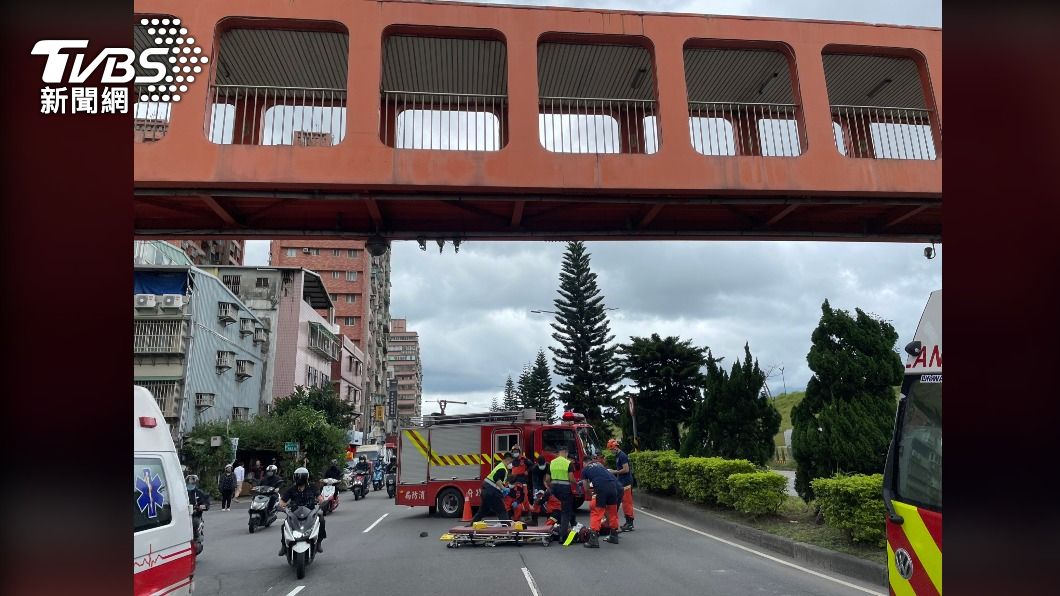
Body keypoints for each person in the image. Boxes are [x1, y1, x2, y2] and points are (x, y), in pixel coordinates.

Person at [278, 467, 326, 555]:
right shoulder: (291, 489)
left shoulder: (312, 487)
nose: (300, 479)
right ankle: (284, 546)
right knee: (284, 525)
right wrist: (281, 506)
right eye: (298, 477)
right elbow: (282, 501)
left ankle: (318, 542)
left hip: (310, 513)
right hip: (295, 514)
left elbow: (320, 498)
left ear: (306, 477)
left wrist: (321, 503)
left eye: (301, 477)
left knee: (321, 519)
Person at [581, 461, 620, 547]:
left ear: (585, 463)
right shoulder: (601, 467)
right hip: (613, 488)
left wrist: (593, 491)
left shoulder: (585, 469)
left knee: (596, 512)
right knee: (612, 513)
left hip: (601, 489)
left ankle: (593, 540)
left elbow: (586, 488)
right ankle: (614, 535)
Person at [469, 452, 512, 523]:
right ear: (508, 459)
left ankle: (471, 525)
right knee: (502, 511)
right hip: (492, 493)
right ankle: (506, 528)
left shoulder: (499, 466)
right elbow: (496, 478)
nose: (511, 464)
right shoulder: (503, 469)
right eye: (511, 461)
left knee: (483, 511)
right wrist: (503, 489)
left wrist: (501, 489)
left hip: (486, 490)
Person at [545, 444, 575, 541]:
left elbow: (547, 479)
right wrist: (576, 483)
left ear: (559, 453)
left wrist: (551, 487)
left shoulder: (552, 462)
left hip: (554, 490)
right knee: (565, 512)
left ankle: (551, 530)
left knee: (559, 509)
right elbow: (571, 478)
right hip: (565, 489)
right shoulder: (568, 463)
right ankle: (563, 536)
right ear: (566, 453)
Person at [607, 439, 635, 532]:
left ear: (615, 448)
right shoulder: (618, 456)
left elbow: (626, 469)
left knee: (627, 502)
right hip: (622, 481)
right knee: (624, 502)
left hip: (626, 482)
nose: (611, 452)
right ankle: (628, 522)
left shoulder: (622, 456)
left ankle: (630, 523)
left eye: (611, 450)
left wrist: (614, 472)